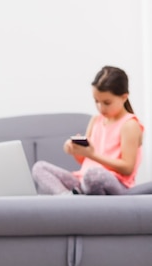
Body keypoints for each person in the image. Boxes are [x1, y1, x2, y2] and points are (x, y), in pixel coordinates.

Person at [32, 66, 144, 195]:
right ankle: (68, 198)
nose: (100, 107)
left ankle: (77, 197)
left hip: (113, 182)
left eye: (107, 103)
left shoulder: (129, 124)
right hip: (83, 181)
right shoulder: (96, 120)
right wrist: (76, 150)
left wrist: (92, 155)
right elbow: (84, 160)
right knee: (39, 168)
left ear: (124, 97)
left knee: (93, 175)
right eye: (96, 101)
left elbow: (127, 168)